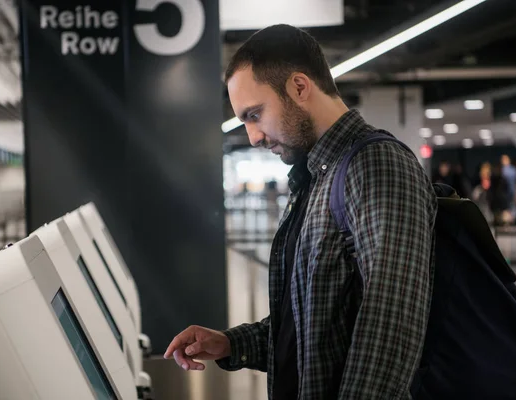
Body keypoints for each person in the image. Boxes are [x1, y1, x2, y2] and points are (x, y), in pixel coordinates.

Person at [164, 24, 437, 399]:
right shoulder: (316, 179)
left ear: (299, 87)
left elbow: (390, 331)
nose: (253, 137)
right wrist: (230, 343)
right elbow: (314, 328)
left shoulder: (376, 165)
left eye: (255, 114)